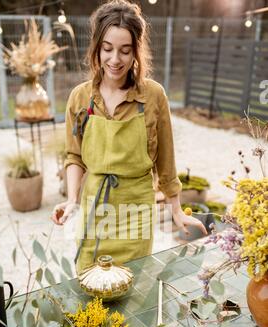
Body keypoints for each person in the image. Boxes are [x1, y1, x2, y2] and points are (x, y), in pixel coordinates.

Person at [52, 0, 207, 274]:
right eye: (107, 49)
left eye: (125, 51)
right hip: (94, 208)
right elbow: (74, 156)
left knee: (133, 285)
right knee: (90, 283)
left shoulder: (153, 95)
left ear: (136, 51)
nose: (115, 60)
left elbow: (166, 161)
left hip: (136, 211)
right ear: (97, 48)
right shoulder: (80, 97)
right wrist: (72, 199)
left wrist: (176, 209)